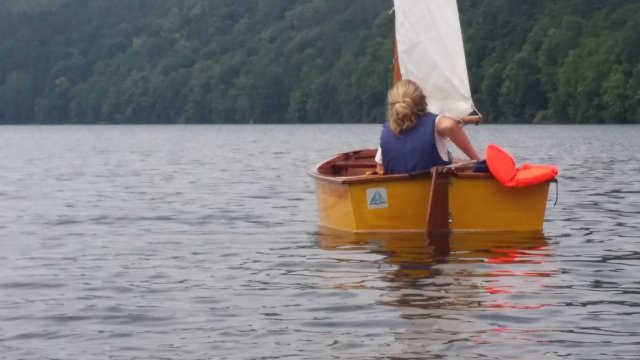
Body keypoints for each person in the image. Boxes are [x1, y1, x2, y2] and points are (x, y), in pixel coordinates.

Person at [375, 79, 481, 174]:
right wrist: (478, 161)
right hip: (434, 192)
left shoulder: (387, 131)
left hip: (398, 193)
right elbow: (449, 126)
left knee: (454, 161)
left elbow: (380, 169)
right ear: (424, 101)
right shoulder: (434, 124)